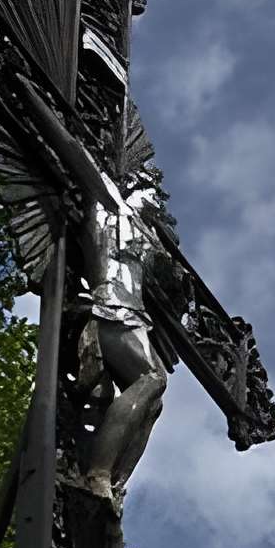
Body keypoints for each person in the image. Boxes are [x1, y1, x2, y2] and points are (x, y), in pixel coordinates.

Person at [79, 168, 169, 504]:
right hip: (111, 306)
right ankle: (98, 474)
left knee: (154, 404)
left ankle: (115, 483)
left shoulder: (147, 237)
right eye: (148, 188)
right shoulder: (107, 207)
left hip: (135, 316)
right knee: (153, 378)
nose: (155, 197)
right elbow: (80, 159)